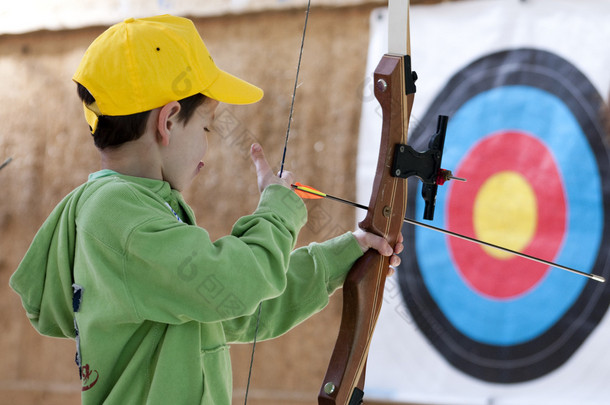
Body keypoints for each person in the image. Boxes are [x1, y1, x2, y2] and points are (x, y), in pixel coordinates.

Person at [9, 15, 402, 404]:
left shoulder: (137, 214)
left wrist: (344, 257)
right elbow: (232, 289)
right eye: (206, 129)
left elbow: (240, 309)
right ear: (168, 120)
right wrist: (278, 210)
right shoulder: (116, 213)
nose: (205, 150)